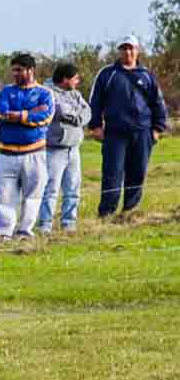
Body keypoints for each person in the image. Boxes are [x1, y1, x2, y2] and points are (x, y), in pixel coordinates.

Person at [88, 35, 169, 218]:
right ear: (119, 51)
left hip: (142, 133)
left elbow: (158, 103)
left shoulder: (147, 75)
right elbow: (95, 101)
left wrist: (157, 129)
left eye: (131, 48)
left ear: (137, 50)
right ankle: (106, 213)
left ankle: (129, 213)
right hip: (115, 133)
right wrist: (95, 126)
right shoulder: (107, 74)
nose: (128, 52)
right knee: (112, 173)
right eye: (124, 48)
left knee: (138, 173)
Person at [0, 53, 54, 240]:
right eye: (13, 70)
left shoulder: (45, 93)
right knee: (4, 197)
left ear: (31, 70)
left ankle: (25, 231)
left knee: (33, 196)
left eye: (19, 70)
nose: (15, 74)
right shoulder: (6, 92)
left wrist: (18, 116)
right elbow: (1, 113)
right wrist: (28, 114)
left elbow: (45, 118)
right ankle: (3, 233)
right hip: (7, 154)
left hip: (35, 154)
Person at [39, 61, 91, 234]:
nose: (78, 80)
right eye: (75, 78)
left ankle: (69, 223)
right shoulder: (48, 94)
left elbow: (87, 112)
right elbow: (63, 112)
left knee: (73, 189)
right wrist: (77, 114)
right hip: (54, 150)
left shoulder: (74, 93)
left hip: (73, 149)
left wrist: (78, 114)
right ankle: (45, 225)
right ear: (65, 79)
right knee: (50, 189)